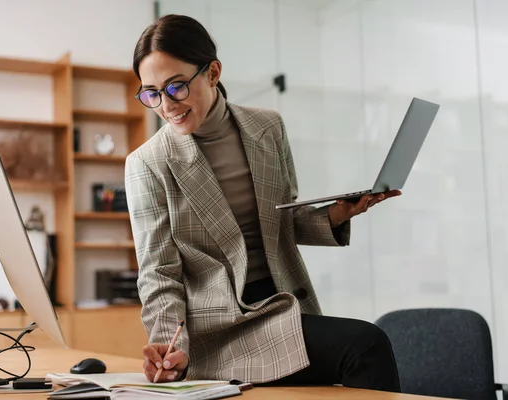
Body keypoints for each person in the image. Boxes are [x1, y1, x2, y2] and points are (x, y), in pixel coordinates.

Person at [125, 14, 402, 392]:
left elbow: (282, 220)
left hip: (281, 303)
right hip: (222, 328)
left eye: (176, 87)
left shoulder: (267, 128)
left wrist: (339, 213)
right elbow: (159, 272)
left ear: (213, 73)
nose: (166, 105)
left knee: (357, 357)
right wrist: (169, 345)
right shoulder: (147, 163)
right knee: (366, 344)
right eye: (152, 93)